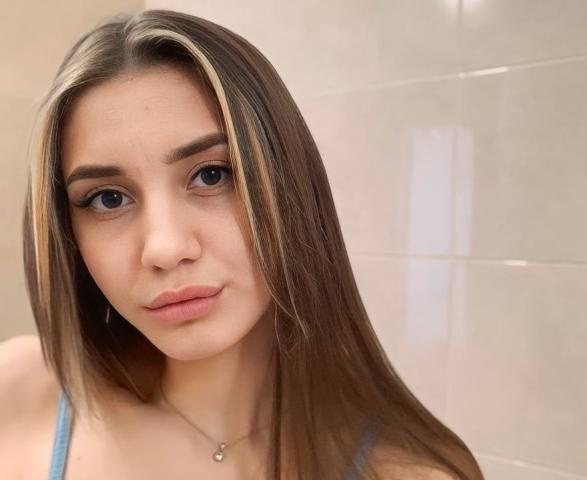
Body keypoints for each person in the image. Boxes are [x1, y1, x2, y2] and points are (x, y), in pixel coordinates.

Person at [0, 9, 485, 480]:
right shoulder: (16, 392)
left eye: (212, 175)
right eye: (108, 199)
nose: (165, 248)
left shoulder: (408, 473)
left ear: (290, 185)